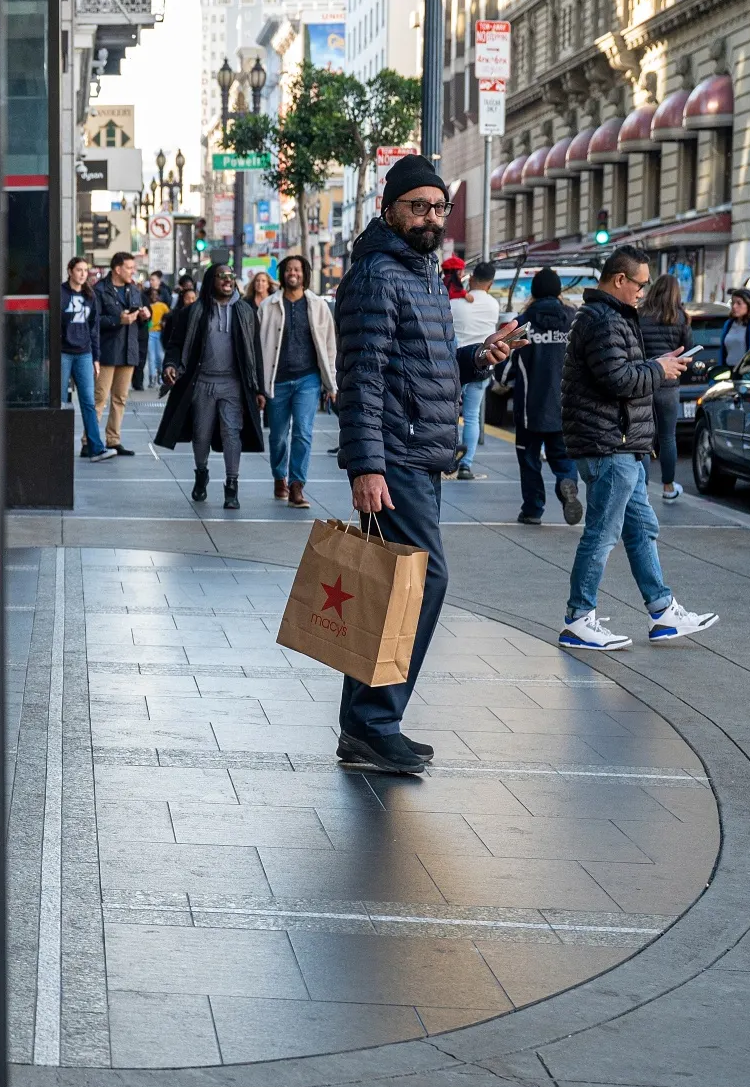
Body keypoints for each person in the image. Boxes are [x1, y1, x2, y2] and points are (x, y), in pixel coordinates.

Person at [335, 155, 521, 774]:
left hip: (419, 453)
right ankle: (373, 722)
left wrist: (476, 358)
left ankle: (365, 726)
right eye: (418, 206)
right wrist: (366, 467)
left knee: (393, 585)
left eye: (439, 207)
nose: (431, 217)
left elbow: (426, 363)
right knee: (419, 581)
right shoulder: (379, 276)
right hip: (396, 457)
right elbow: (361, 377)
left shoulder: (422, 273)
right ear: (389, 209)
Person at [559, 248, 717, 652]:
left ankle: (662, 612)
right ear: (619, 280)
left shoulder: (609, 318)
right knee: (602, 534)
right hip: (609, 443)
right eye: (640, 284)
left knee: (641, 529)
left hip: (620, 443)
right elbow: (618, 379)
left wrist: (655, 362)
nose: (643, 293)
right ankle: (579, 619)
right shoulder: (603, 320)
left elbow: (622, 371)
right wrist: (658, 370)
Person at [156, 262, 265, 508]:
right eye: (221, 276)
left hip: (234, 385)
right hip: (202, 383)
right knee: (201, 435)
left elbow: (255, 352)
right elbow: (174, 345)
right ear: (210, 281)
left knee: (231, 434)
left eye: (230, 276)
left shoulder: (245, 312)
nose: (227, 280)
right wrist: (170, 365)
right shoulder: (193, 312)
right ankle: (201, 472)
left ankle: (232, 485)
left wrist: (259, 389)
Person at [259, 254, 337, 507]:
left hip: (308, 379)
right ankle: (279, 477)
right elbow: (258, 347)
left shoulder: (317, 305)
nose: (293, 273)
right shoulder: (268, 306)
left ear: (305, 274)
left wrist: (331, 383)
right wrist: (258, 386)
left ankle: (297, 486)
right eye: (289, 269)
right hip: (276, 381)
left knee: (303, 433)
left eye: (298, 269)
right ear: (282, 274)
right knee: (278, 436)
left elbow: (329, 347)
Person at [507, 268, 582, 526]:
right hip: (566, 407)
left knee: (529, 460)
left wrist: (504, 381)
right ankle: (567, 482)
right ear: (559, 291)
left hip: (530, 408)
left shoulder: (523, 323)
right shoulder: (574, 320)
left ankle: (532, 510)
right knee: (563, 456)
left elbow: (505, 370)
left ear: (534, 292)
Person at [637, 272, 693, 501]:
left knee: (643, 437)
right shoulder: (680, 317)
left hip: (644, 380)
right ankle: (668, 487)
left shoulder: (640, 315)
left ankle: (641, 489)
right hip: (670, 385)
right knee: (668, 437)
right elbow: (688, 348)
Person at [61, 256, 117, 461]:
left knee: (88, 401)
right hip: (63, 353)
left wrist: (96, 357)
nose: (83, 274)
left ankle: (96, 447)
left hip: (84, 353)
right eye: (79, 270)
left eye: (85, 270)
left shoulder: (90, 295)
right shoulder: (60, 293)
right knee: (58, 401)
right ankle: (57, 446)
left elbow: (93, 329)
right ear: (70, 271)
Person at [449, 260, 501, 479]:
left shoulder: (454, 304)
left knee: (449, 415)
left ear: (471, 279)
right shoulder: (493, 305)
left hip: (454, 366)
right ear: (490, 283)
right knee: (471, 416)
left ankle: (447, 458)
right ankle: (466, 465)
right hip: (481, 364)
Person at [93, 251, 148, 455]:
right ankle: (88, 440)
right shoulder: (100, 290)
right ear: (117, 269)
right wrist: (118, 320)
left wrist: (144, 316)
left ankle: (113, 439)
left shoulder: (133, 289)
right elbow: (95, 321)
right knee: (100, 397)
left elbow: (141, 321)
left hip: (128, 349)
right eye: (129, 268)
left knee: (120, 397)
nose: (133, 271)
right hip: (107, 350)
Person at [718, 288, 750, 369]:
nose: (734, 306)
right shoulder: (729, 324)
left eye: (739, 303)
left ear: (749, 305)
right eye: (733, 303)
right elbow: (723, 351)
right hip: (728, 369)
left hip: (748, 372)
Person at [146, 286, 170, 388]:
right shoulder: (147, 307)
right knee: (151, 357)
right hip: (150, 333)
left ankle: (161, 377)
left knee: (160, 356)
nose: (154, 296)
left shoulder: (163, 306)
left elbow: (170, 316)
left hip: (160, 333)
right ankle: (152, 378)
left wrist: (164, 322)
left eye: (156, 294)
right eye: (152, 294)